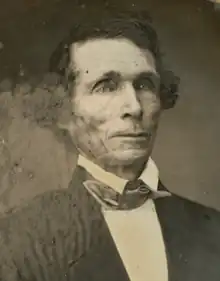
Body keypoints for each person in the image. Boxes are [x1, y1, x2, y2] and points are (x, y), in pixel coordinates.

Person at [0, 9, 220, 281]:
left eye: (144, 84)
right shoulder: (17, 241)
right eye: (106, 86)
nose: (134, 107)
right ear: (63, 109)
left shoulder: (214, 231)